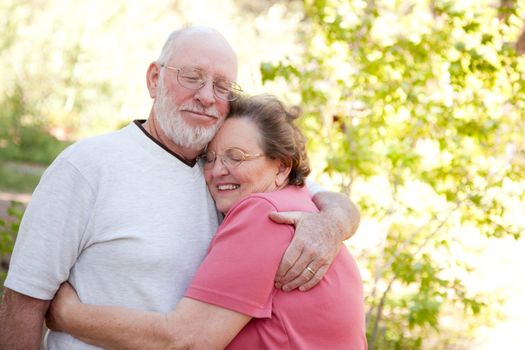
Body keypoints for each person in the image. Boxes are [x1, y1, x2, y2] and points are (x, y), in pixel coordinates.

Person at [0, 26, 360, 350]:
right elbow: (23, 303)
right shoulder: (86, 167)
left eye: (222, 87)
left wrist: (331, 223)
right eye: (192, 77)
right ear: (154, 78)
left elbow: (322, 197)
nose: (206, 96)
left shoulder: (232, 173)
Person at [46, 94, 367, 349]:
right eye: (209, 157)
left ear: (282, 167)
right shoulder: (301, 203)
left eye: (235, 156)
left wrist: (69, 315)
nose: (217, 170)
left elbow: (187, 341)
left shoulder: (264, 212)